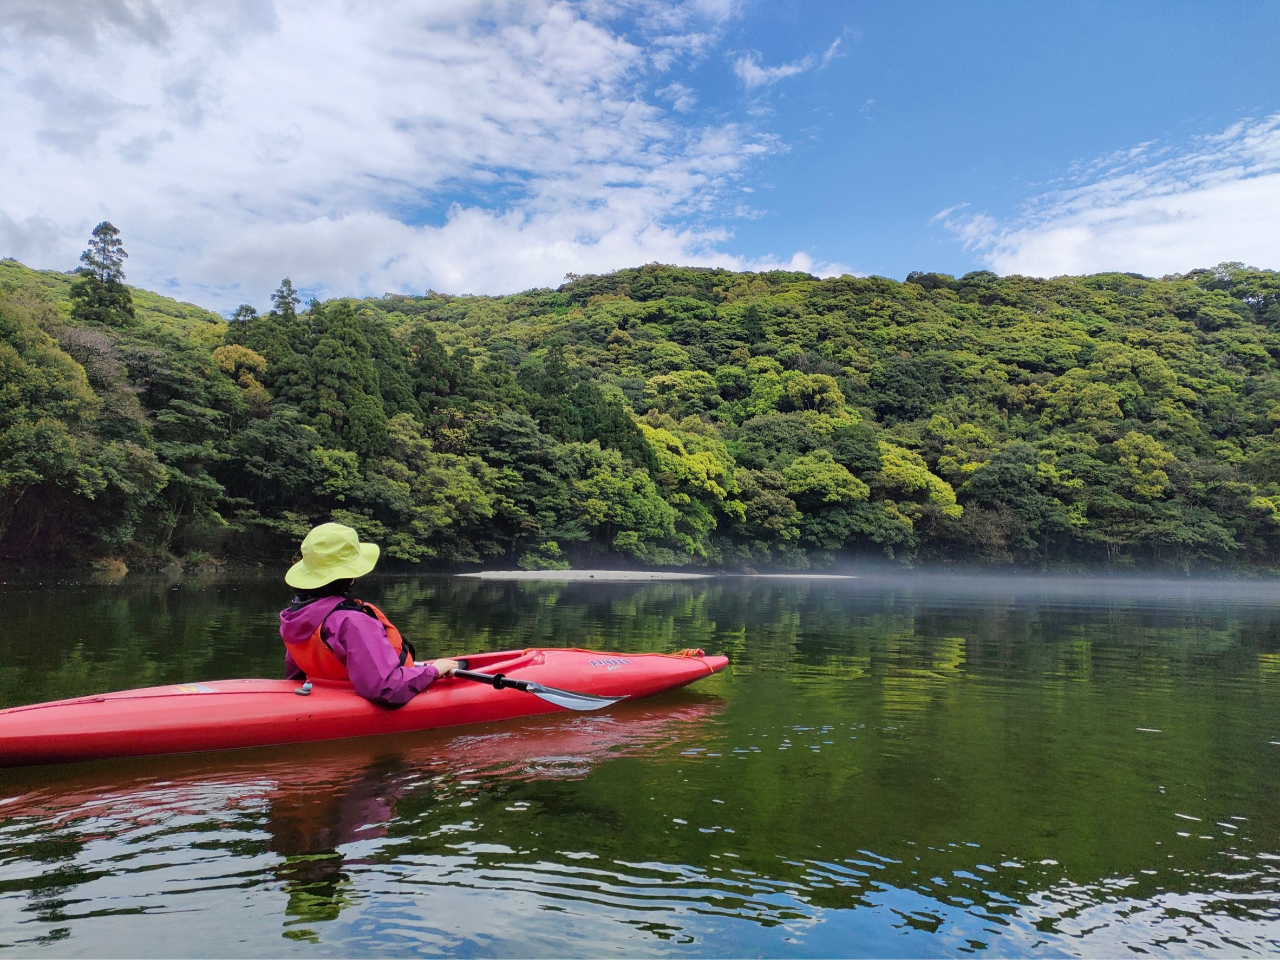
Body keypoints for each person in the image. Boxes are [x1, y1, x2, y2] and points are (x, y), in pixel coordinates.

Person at [280, 522, 458, 706]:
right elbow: (384, 688)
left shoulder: (296, 616)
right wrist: (433, 671)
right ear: (350, 577)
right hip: (354, 701)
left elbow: (295, 676)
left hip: (324, 696)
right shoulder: (354, 622)